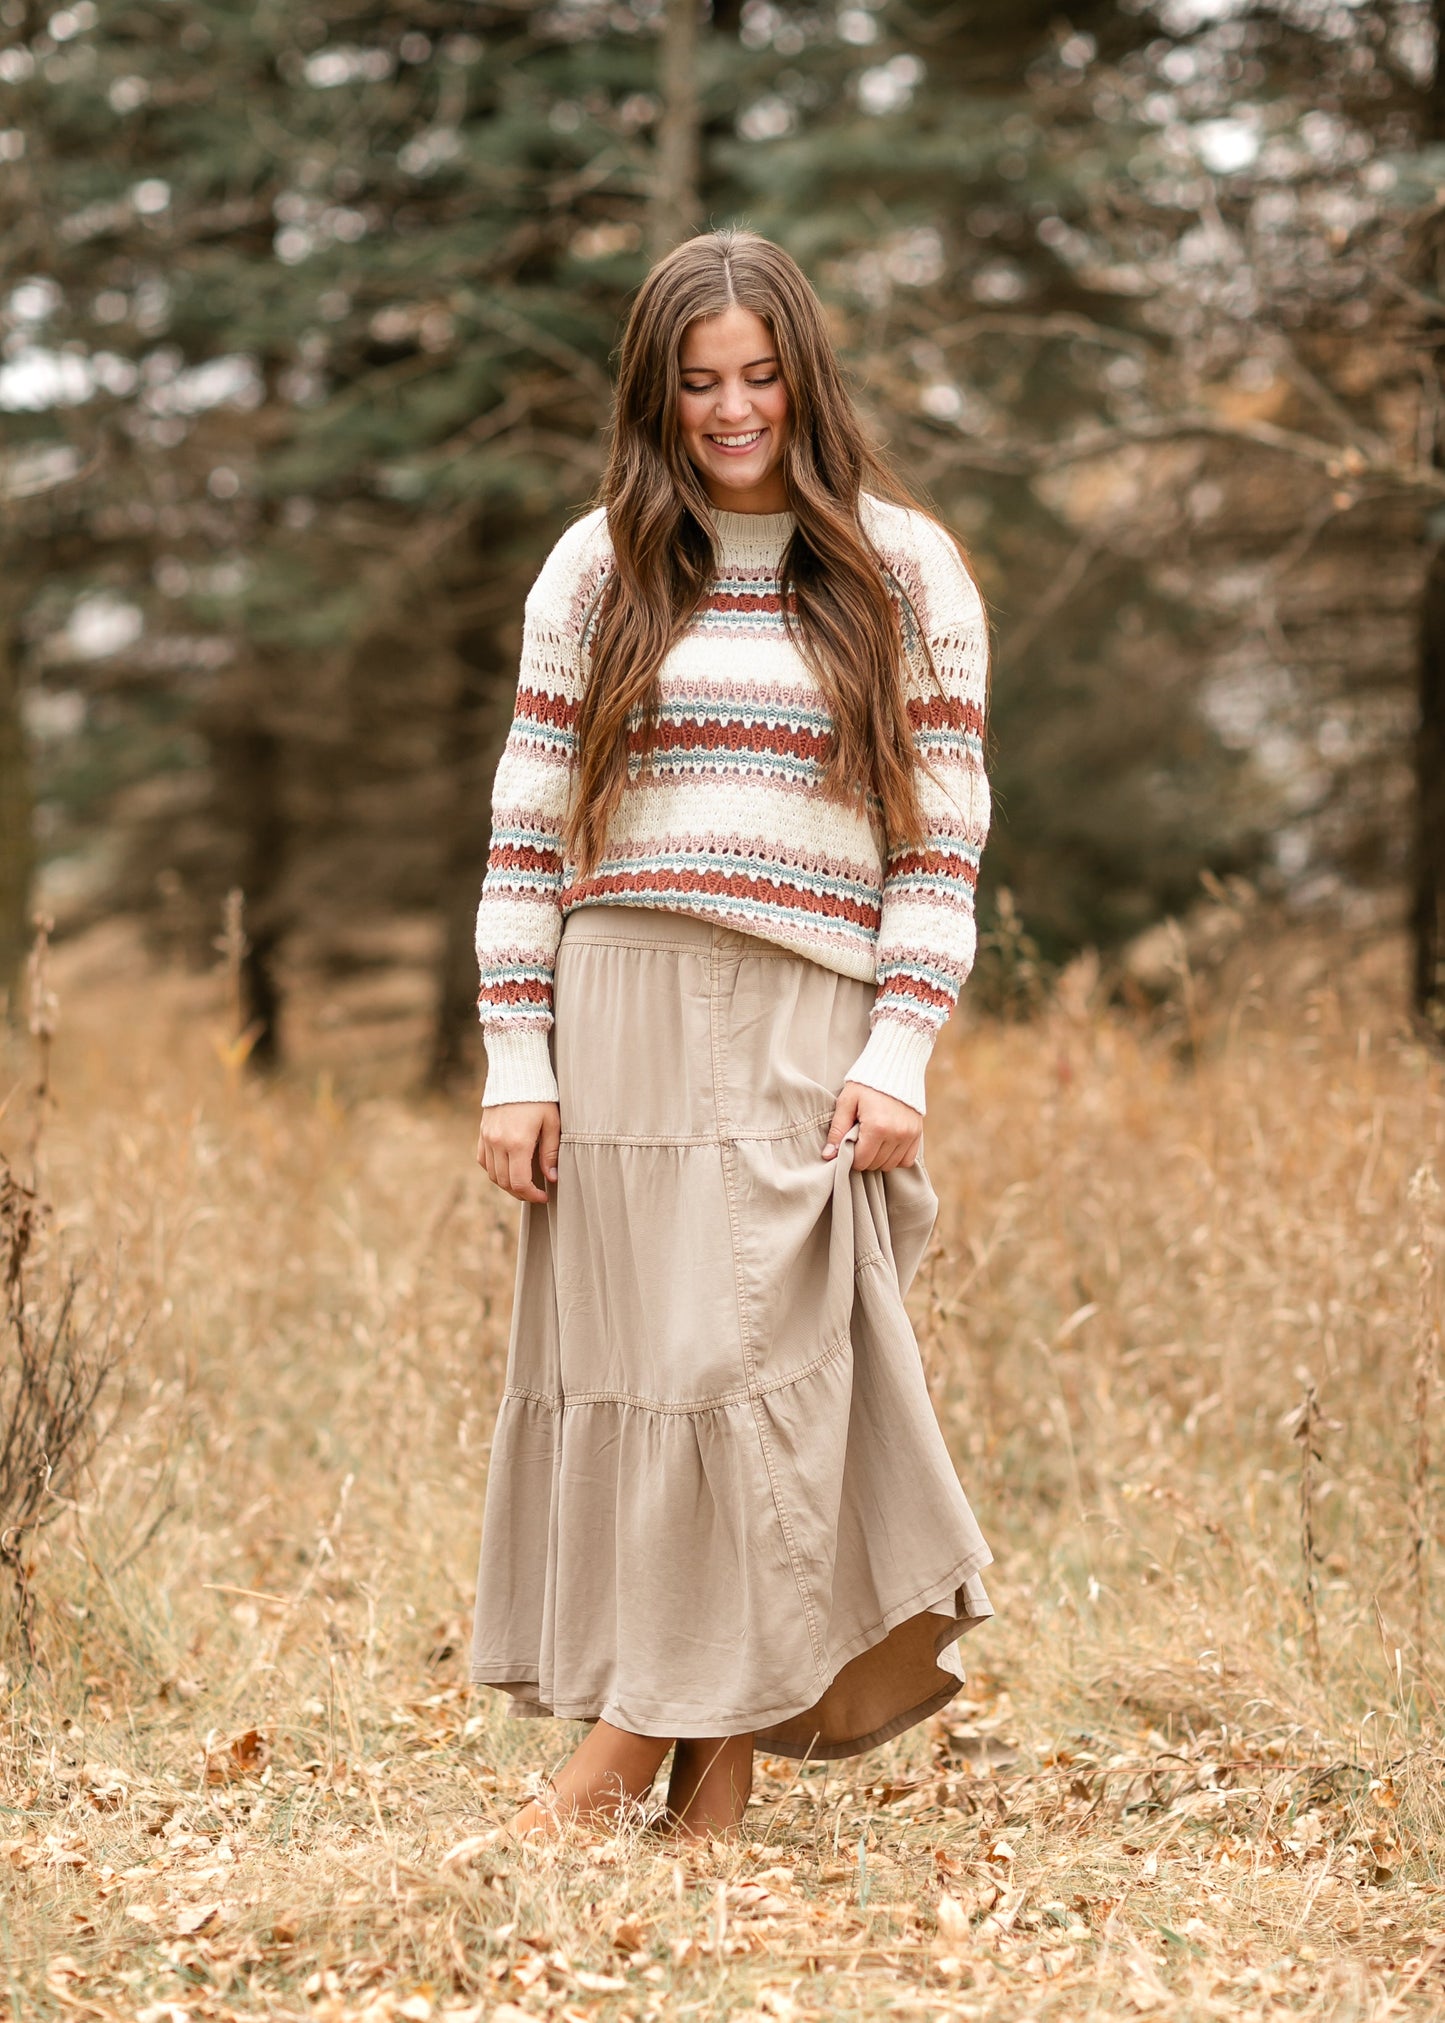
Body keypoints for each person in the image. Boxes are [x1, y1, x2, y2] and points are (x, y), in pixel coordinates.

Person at [471, 227, 993, 1843]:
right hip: (613, 991)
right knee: (641, 1376)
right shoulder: (598, 564)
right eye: (697, 383)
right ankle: (721, 1777)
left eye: (759, 376)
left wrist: (898, 1047)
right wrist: (517, 1057)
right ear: (656, 393)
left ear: (805, 379)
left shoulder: (904, 570)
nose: (730, 410)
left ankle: (621, 1753)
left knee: (741, 1365)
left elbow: (940, 841)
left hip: (796, 1008)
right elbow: (524, 824)